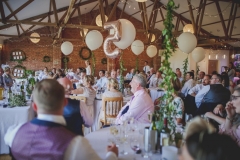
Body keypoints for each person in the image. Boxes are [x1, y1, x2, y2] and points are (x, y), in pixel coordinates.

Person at [4, 79, 118, 159]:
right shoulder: (76, 145)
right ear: (64, 103)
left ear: (34, 106)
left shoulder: (12, 134)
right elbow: (89, 123)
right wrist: (112, 154)